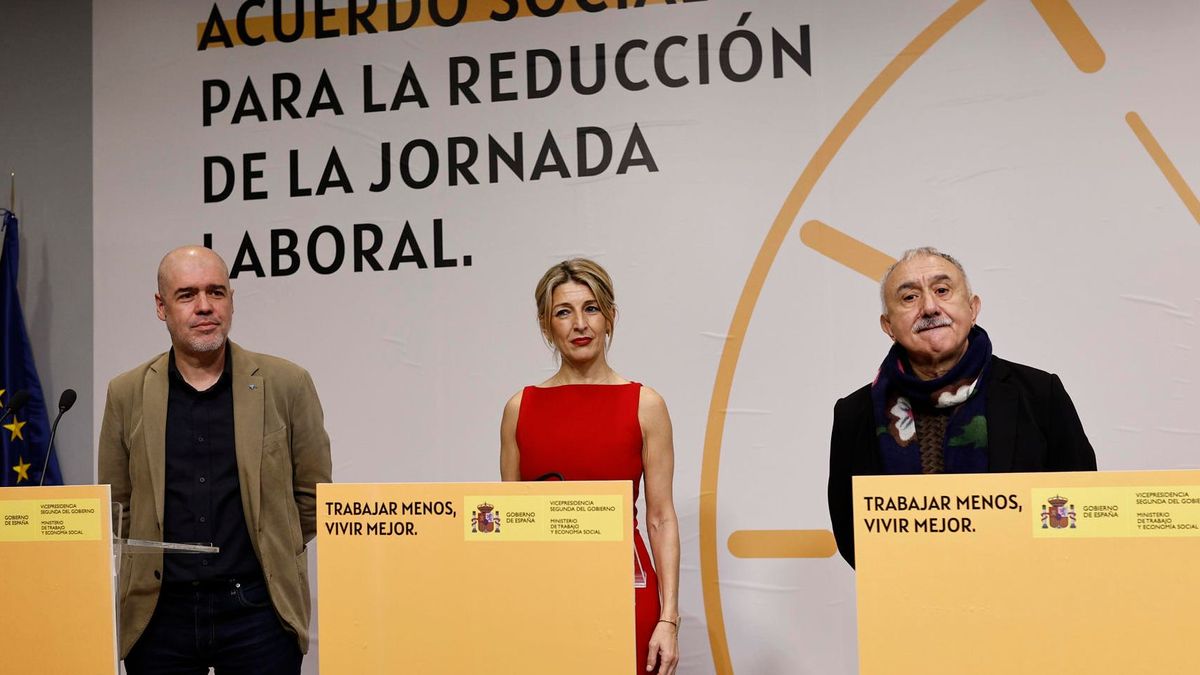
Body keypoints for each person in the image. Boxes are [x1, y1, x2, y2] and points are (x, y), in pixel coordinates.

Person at [98, 246, 332, 673]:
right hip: (158, 614)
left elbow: (313, 497)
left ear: (231, 299)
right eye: (187, 295)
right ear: (160, 306)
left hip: (258, 611)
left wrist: (274, 546)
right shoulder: (126, 392)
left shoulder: (287, 383)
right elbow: (118, 508)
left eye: (216, 292)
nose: (205, 306)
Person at [827, 247, 1096, 568]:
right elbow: (851, 534)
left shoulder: (1038, 394)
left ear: (973, 308)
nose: (929, 307)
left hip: (1029, 598)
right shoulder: (856, 413)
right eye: (909, 298)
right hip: (909, 604)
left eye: (942, 290)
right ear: (888, 326)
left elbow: (1080, 507)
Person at [500, 258, 680, 675]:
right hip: (543, 599)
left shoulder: (645, 404)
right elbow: (509, 525)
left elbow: (661, 518)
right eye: (564, 312)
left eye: (591, 308)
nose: (580, 324)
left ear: (610, 317)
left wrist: (668, 618)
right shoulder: (519, 408)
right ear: (546, 326)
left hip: (627, 594)